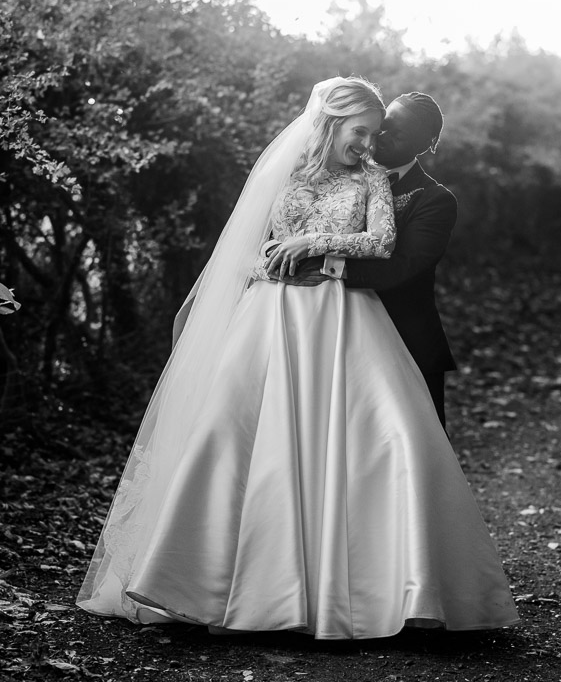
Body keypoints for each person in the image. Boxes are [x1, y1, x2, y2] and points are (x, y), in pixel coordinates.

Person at [77, 77, 518, 639]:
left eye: (384, 132)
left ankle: (397, 587)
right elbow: (250, 246)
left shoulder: (403, 189)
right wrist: (268, 262)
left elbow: (390, 252)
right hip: (271, 318)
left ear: (424, 143)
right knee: (233, 436)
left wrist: (314, 252)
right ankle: (195, 584)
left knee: (386, 445)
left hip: (354, 323)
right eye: (367, 131)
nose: (373, 142)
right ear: (332, 123)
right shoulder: (284, 174)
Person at [297, 92, 457, 428]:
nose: (380, 139)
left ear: (426, 144)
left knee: (411, 448)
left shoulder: (434, 199)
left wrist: (327, 265)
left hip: (402, 339)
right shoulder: (331, 170)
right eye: (383, 127)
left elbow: (406, 267)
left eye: (397, 135)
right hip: (325, 331)